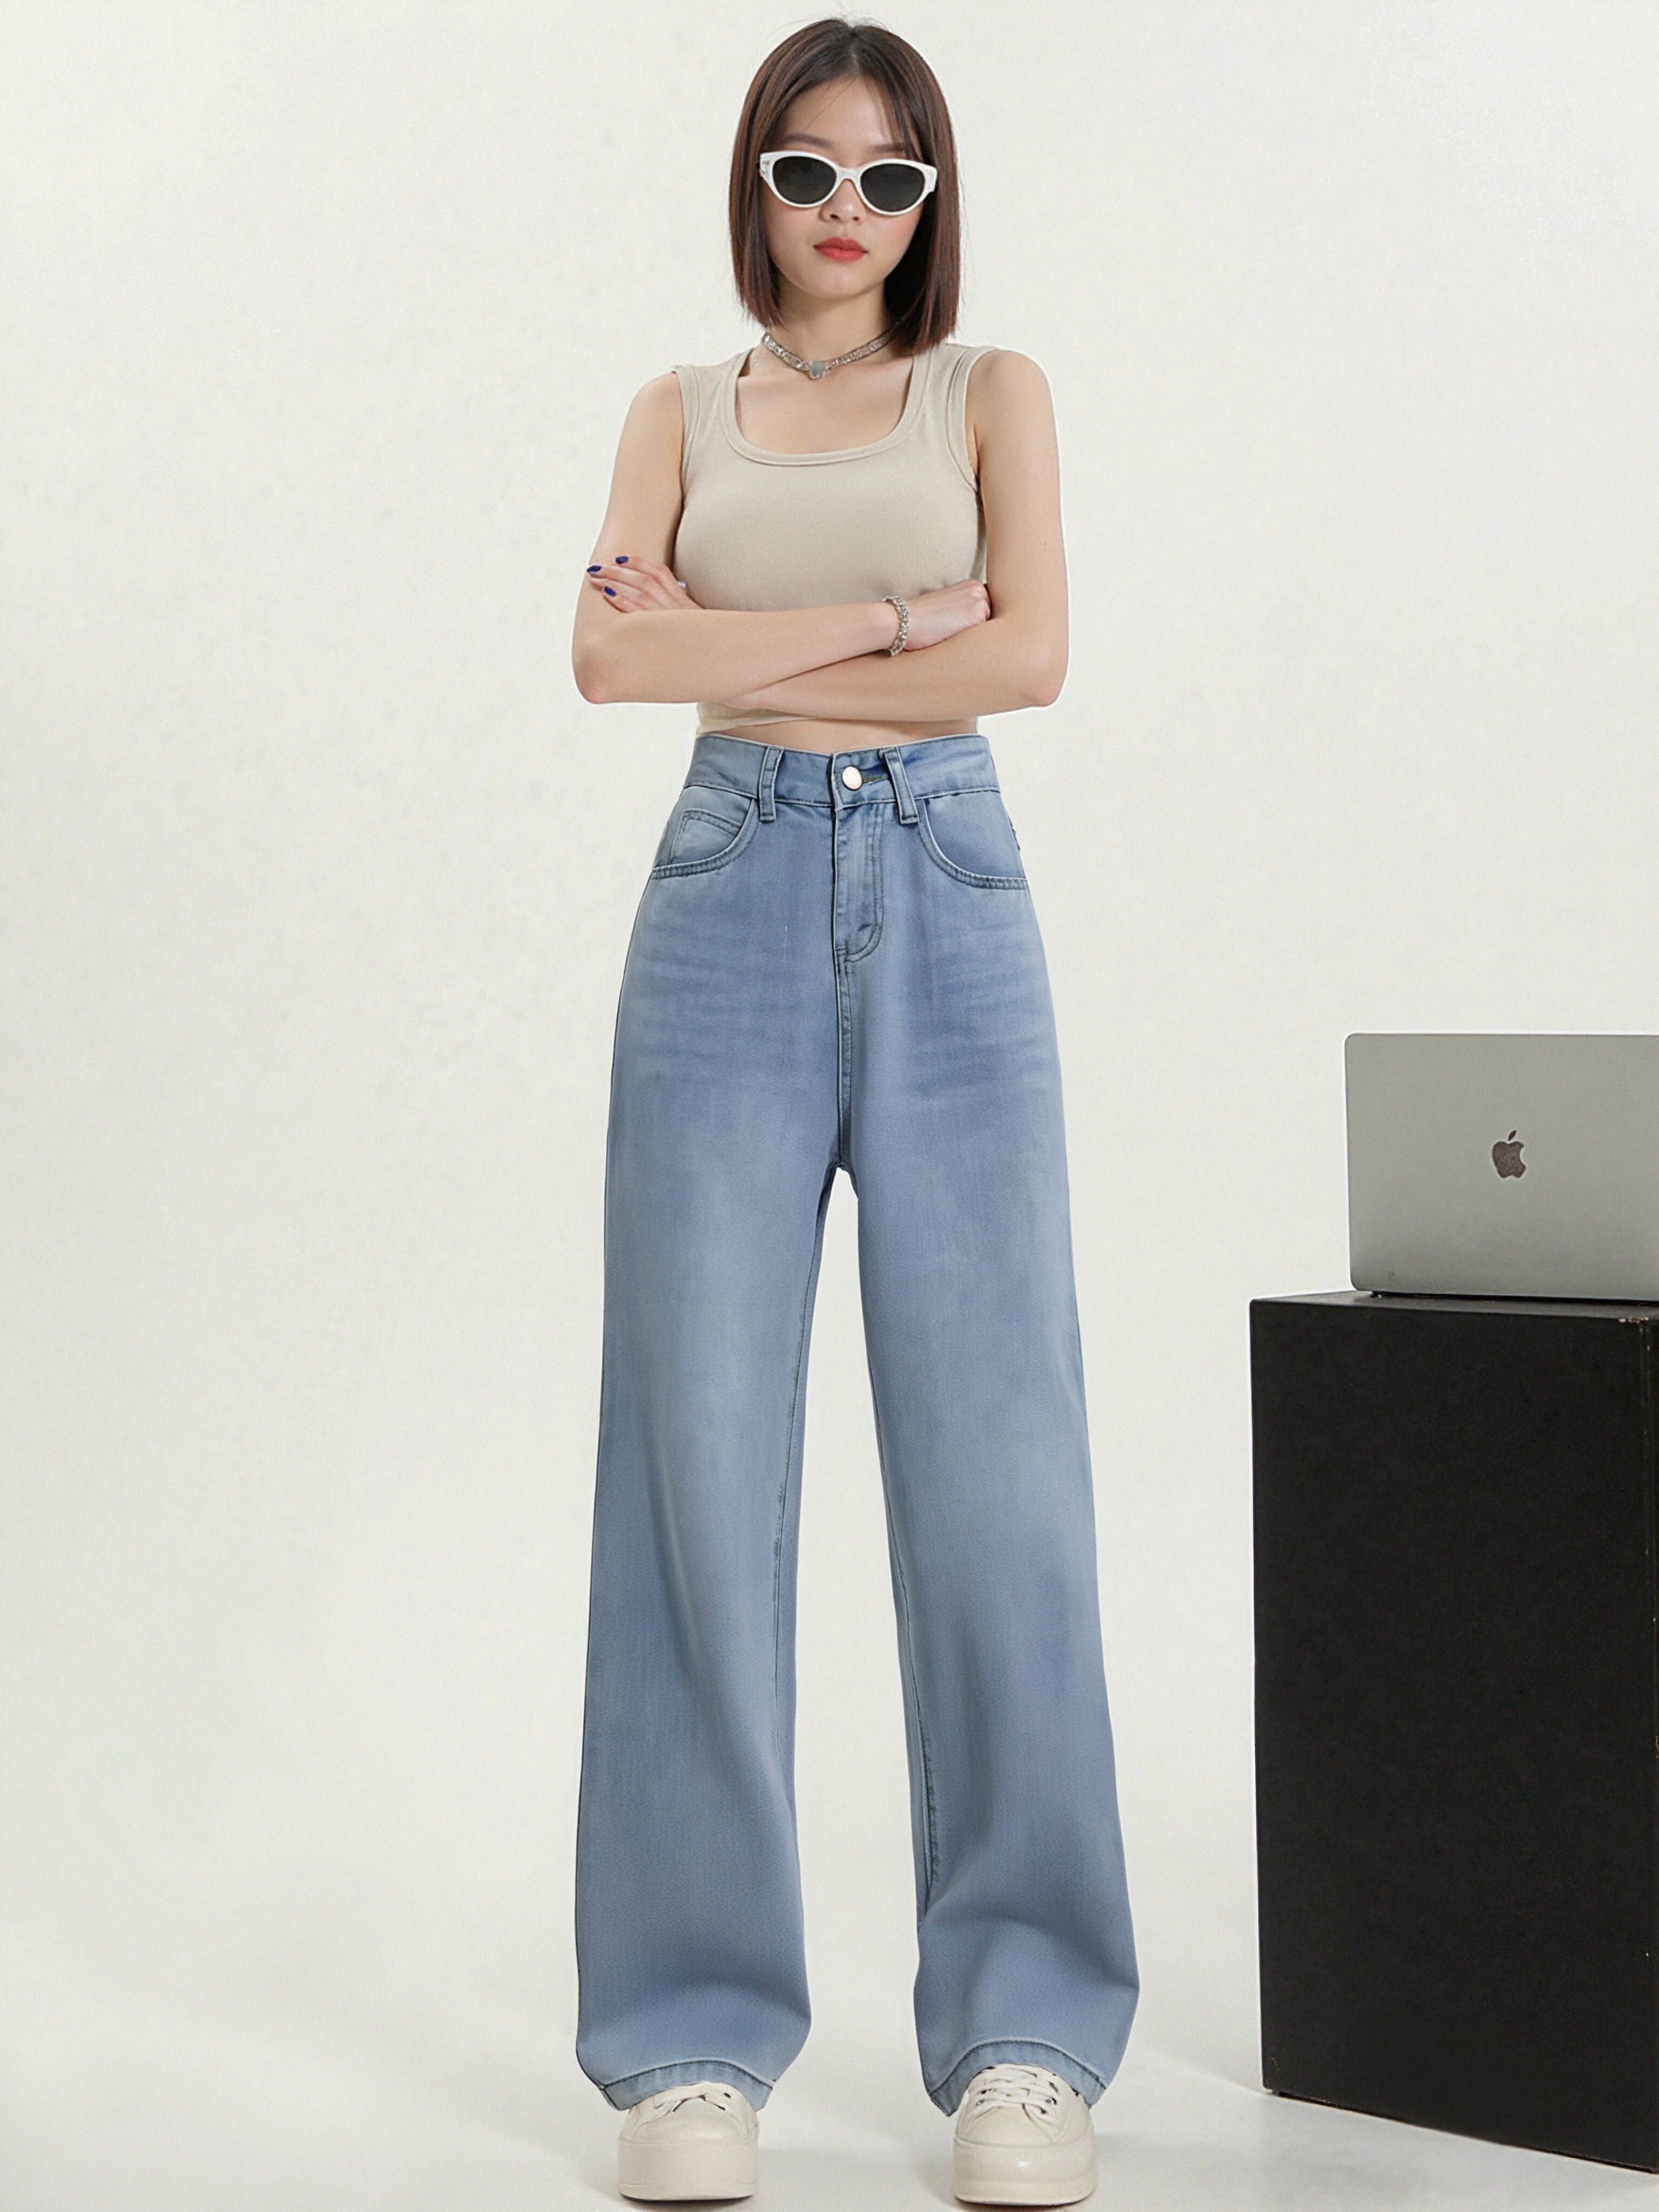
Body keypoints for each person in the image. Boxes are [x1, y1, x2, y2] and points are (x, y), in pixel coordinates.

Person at [570, 19, 1138, 2205]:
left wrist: (740, 638)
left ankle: (1029, 2035)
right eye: (807, 170)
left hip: (953, 895)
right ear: (756, 182)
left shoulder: (995, 393)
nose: (845, 211)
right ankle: (688, 2039)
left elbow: (1030, 662)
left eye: (890, 178)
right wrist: (900, 614)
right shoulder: (675, 409)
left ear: (933, 201)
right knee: (696, 1459)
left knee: (1003, 1471)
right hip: (722, 900)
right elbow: (612, 665)